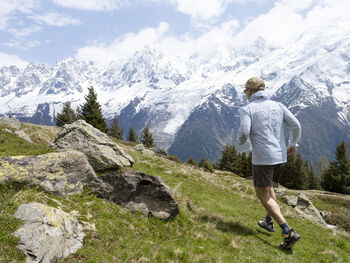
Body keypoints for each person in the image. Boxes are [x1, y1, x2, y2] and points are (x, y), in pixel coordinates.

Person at [237, 77, 302, 250]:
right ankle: (268, 221)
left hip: (263, 159)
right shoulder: (278, 106)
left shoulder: (247, 109)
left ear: (250, 91)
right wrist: (293, 144)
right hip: (280, 157)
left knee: (263, 194)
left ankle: (288, 231)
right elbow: (296, 124)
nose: (246, 95)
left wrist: (240, 141)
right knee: (270, 187)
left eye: (246, 92)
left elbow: (244, 132)